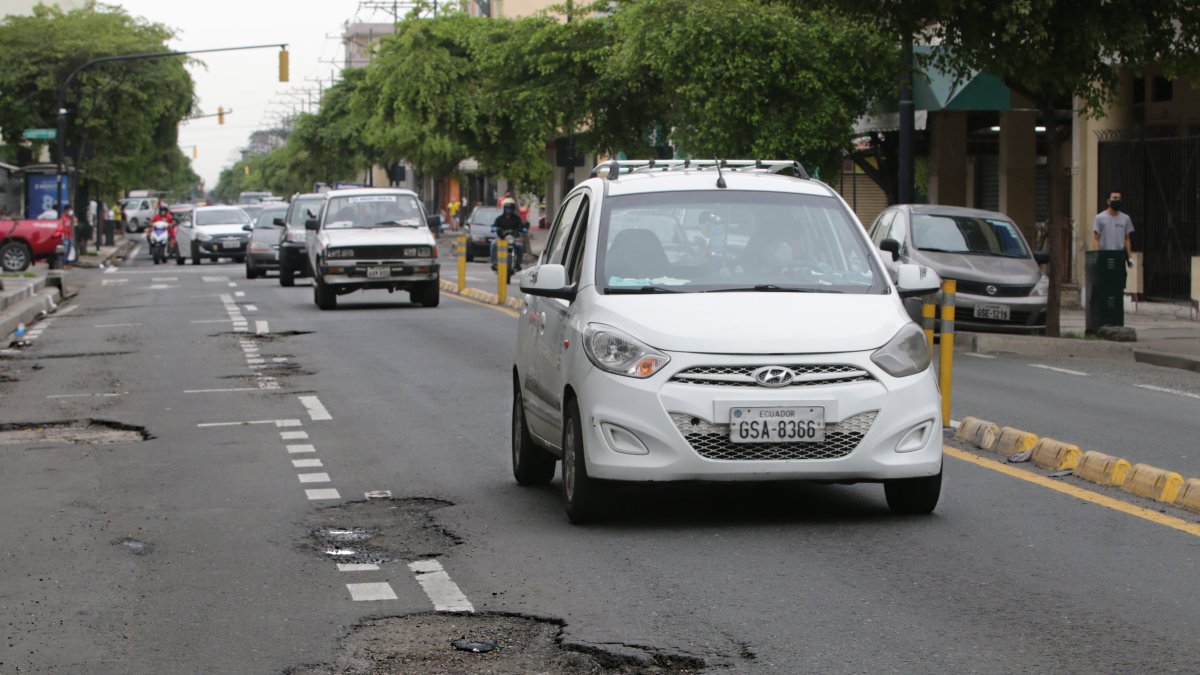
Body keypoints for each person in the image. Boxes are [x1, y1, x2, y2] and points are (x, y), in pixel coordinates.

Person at [1093, 190, 1134, 269]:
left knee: (1119, 280)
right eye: (1115, 198)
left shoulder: (1126, 218)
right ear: (1108, 201)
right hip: (1104, 255)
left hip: (1119, 256)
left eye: (1119, 198)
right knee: (1105, 280)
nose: (1117, 200)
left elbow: (1127, 239)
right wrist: (1097, 256)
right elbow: (1096, 239)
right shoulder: (1099, 218)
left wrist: (1130, 257)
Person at [491, 197, 526, 271]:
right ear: (504, 208)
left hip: (513, 238)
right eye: (507, 208)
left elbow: (522, 226)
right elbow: (494, 226)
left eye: (510, 208)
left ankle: (518, 264)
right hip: (502, 238)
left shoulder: (517, 219)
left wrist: (524, 229)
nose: (508, 210)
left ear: (513, 209)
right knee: (493, 244)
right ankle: (494, 263)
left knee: (520, 246)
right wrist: (494, 228)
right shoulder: (499, 218)